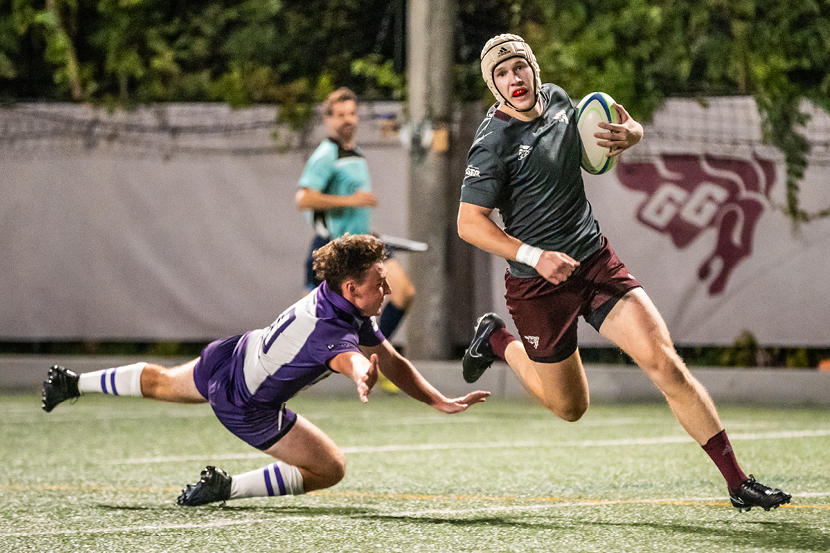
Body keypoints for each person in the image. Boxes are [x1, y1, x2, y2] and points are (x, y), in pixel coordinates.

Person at [456, 33, 791, 512]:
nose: (515, 79)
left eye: (519, 67)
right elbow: (470, 225)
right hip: (537, 286)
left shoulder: (559, 100)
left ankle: (738, 482)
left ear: (533, 66)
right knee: (570, 408)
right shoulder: (492, 144)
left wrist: (633, 134)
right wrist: (534, 255)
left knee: (665, 364)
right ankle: (496, 341)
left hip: (593, 261)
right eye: (502, 74)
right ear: (493, 84)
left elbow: (613, 117)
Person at [41, 233, 489, 506]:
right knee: (330, 468)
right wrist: (358, 373)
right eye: (380, 282)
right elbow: (350, 357)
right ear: (352, 288)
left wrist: (436, 399)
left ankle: (72, 382)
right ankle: (228, 488)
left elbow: (390, 358)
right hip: (247, 404)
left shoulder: (337, 297)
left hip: (232, 355)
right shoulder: (333, 331)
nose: (388, 287)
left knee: (159, 381)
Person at [295, 87, 415, 343]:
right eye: (340, 114)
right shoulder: (326, 155)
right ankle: (274, 365)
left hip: (363, 243)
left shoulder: (355, 153)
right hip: (334, 247)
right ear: (328, 119)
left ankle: (374, 351)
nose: (347, 119)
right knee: (308, 319)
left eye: (351, 113)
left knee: (403, 291)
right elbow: (303, 199)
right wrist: (351, 201)